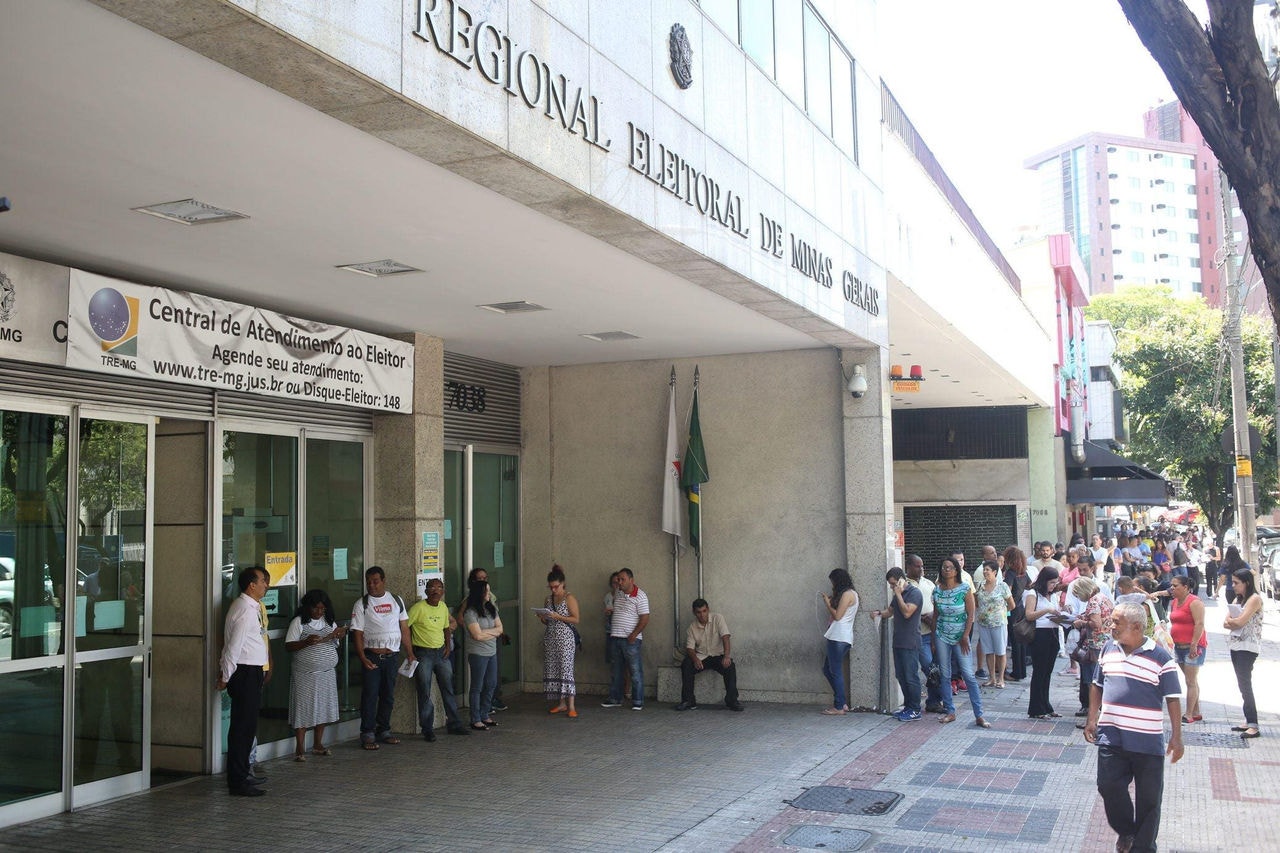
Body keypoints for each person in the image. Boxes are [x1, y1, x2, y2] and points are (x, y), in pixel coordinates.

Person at [1083, 602, 1184, 853]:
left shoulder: (1161, 658)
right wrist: (1092, 719)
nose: (1111, 626)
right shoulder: (1108, 648)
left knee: (1149, 801)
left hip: (1148, 743)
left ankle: (1143, 847)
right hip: (1111, 736)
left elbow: (1172, 698)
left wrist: (1177, 737)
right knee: (1108, 786)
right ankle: (1127, 831)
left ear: (1137, 627)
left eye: (1117, 622)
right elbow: (1096, 684)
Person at [217, 566, 270, 797]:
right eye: (262, 582)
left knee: (246, 727)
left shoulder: (251, 608)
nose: (265, 585)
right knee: (242, 728)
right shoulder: (245, 610)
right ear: (251, 584)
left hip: (252, 671)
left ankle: (242, 774)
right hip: (244, 672)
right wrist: (225, 676)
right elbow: (233, 647)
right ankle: (237, 780)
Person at [351, 565, 413, 749]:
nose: (371, 585)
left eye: (375, 581)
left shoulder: (396, 600)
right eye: (368, 582)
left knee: (388, 695)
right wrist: (362, 657)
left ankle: (384, 729)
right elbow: (358, 634)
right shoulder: (361, 604)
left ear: (383, 581)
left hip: (392, 657)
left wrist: (409, 652)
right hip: (372, 657)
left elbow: (404, 628)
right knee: (370, 695)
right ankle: (367, 733)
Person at [284, 589, 345, 760]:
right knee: (303, 708)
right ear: (308, 607)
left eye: (322, 609)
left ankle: (318, 744)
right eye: (316, 608)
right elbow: (288, 646)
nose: (319, 612)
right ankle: (300, 748)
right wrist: (305, 642)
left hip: (326, 673)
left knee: (323, 708)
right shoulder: (299, 622)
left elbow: (335, 643)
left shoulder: (329, 621)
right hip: (305, 674)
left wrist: (338, 634)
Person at [406, 578, 468, 740]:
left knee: (448, 688)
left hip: (441, 654)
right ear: (426, 591)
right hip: (423, 654)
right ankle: (427, 728)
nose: (435, 591)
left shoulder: (442, 607)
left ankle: (454, 724)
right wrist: (410, 652)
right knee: (424, 691)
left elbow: (446, 627)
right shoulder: (417, 608)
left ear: (443, 591)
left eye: (439, 588)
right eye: (431, 588)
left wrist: (448, 646)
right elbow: (404, 627)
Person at [932, 557, 987, 728]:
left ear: (956, 571)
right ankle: (950, 711)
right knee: (945, 674)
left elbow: (971, 614)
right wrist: (934, 638)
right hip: (942, 634)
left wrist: (965, 635)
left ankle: (979, 714)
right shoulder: (937, 591)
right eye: (944, 567)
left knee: (968, 675)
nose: (946, 570)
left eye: (950, 567)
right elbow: (935, 615)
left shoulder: (964, 589)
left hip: (960, 636)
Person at [872, 566, 922, 722]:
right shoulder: (897, 595)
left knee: (911, 676)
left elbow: (907, 612)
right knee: (900, 675)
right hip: (898, 641)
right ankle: (908, 706)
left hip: (910, 641)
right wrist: (880, 613)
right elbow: (891, 611)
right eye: (890, 585)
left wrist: (899, 594)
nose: (892, 587)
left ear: (901, 580)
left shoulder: (914, 594)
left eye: (894, 584)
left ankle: (915, 709)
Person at [676, 597, 743, 712]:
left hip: (718, 656)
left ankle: (732, 701)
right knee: (686, 664)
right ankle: (688, 700)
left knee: (730, 667)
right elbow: (690, 648)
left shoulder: (718, 618)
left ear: (708, 610)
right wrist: (696, 659)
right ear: (694, 613)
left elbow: (725, 637)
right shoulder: (692, 627)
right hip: (702, 657)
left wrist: (727, 656)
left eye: (704, 611)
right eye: (698, 612)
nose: (702, 615)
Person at [1223, 567, 1264, 739]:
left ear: (1246, 583)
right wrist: (1233, 622)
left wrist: (1234, 622)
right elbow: (1226, 622)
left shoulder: (1254, 599)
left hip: (1248, 646)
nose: (1234, 586)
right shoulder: (1238, 598)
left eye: (1236, 583)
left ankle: (1253, 723)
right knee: (1241, 684)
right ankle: (1248, 720)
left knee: (1245, 684)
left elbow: (1240, 621)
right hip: (1236, 645)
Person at [602, 567, 649, 710]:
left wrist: (634, 634)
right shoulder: (618, 593)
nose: (619, 582)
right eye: (618, 580)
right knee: (616, 671)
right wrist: (609, 612)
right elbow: (620, 611)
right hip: (615, 637)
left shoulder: (640, 596)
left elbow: (645, 618)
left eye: (622, 579)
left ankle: (638, 701)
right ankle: (615, 698)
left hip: (631, 640)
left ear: (631, 580)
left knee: (635, 671)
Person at [1069, 577, 1113, 723]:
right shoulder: (1103, 598)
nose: (1077, 597)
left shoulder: (1093, 601)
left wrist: (1081, 622)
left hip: (1095, 645)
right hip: (1106, 643)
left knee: (1092, 682)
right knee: (1100, 680)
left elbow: (1096, 623)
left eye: (1077, 594)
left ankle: (1092, 719)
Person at [1025, 566, 1066, 719]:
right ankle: (1036, 708)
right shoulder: (1033, 593)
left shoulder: (1053, 595)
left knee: (1047, 672)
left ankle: (1046, 705)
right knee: (1039, 672)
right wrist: (1047, 611)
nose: (1054, 586)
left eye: (1056, 583)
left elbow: (1056, 611)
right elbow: (1029, 615)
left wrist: (1062, 611)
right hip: (1040, 634)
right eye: (1051, 583)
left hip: (1053, 633)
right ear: (1044, 581)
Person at [463, 577, 503, 730]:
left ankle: (485, 714)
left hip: (491, 652)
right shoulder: (470, 613)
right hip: (478, 653)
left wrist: (486, 632)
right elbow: (476, 636)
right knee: (477, 686)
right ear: (480, 593)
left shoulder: (491, 608)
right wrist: (492, 633)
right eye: (486, 591)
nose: (489, 593)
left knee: (491, 684)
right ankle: (475, 718)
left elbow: (501, 629)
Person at [904, 555, 944, 712]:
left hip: (932, 633)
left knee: (937, 668)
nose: (921, 569)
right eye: (917, 566)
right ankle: (932, 700)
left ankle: (934, 701)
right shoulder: (904, 584)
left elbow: (937, 605)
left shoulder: (929, 583)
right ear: (908, 566)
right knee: (929, 668)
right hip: (917, 635)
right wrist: (922, 617)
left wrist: (933, 615)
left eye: (922, 566)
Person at [541, 564, 580, 717]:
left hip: (566, 639)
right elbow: (547, 621)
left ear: (562, 583)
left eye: (556, 587)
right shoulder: (548, 599)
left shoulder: (569, 598)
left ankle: (571, 706)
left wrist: (559, 617)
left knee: (566, 670)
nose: (553, 590)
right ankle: (561, 703)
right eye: (551, 587)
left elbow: (576, 619)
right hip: (551, 637)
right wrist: (543, 618)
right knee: (555, 669)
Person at [1167, 574, 1205, 725]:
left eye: (1176, 586)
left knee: (1190, 680)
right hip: (1179, 646)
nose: (1172, 588)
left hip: (1193, 646)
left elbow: (1199, 624)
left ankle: (1188, 713)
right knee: (1191, 680)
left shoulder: (1195, 602)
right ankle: (1196, 711)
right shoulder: (1175, 602)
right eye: (1172, 585)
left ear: (1186, 587)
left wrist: (1194, 644)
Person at [819, 569, 858, 715]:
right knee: (827, 669)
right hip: (841, 637)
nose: (832, 585)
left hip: (838, 637)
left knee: (834, 671)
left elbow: (837, 616)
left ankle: (839, 706)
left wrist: (828, 603)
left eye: (833, 582)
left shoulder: (848, 594)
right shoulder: (852, 594)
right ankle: (841, 702)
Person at [975, 559, 1014, 689]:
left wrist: (1001, 612)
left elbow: (1011, 604)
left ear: (994, 572)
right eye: (984, 569)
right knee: (988, 651)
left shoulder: (1002, 586)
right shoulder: (980, 585)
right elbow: (976, 602)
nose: (985, 572)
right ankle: (991, 678)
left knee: (1000, 651)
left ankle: (1001, 678)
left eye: (987, 570)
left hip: (999, 623)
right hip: (983, 623)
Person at [1002, 546, 1030, 682]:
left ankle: (1016, 673)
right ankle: (1022, 671)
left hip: (1011, 610)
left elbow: (1007, 591)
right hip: (1021, 608)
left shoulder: (1010, 573)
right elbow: (1030, 585)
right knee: (1021, 640)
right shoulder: (1023, 572)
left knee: (1014, 641)